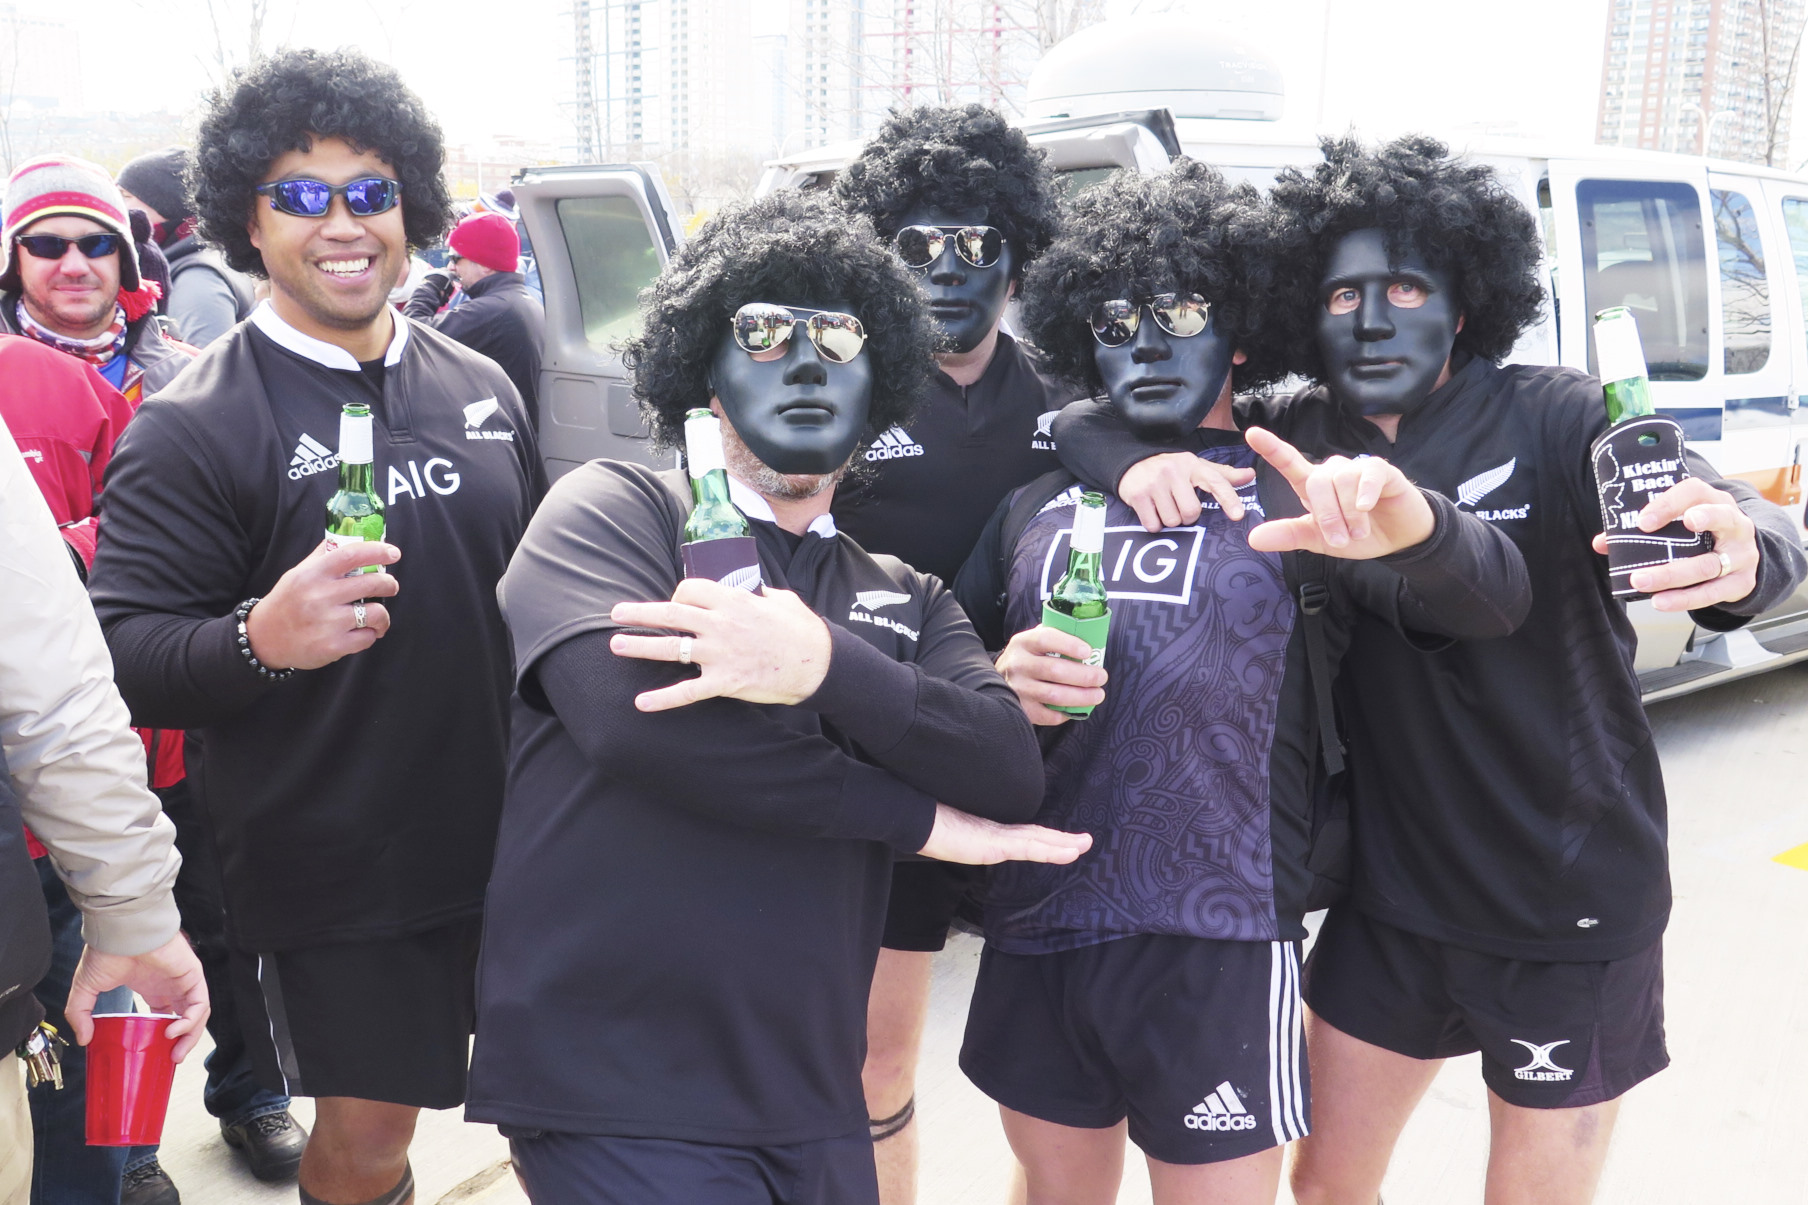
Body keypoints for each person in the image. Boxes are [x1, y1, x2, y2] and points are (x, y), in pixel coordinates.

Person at [1051, 135, 1808, 1205]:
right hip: (1386, 903)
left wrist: (1740, 552)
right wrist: (1132, 459)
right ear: (1299, 315)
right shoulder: (1290, 437)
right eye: (1339, 293)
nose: (1369, 317)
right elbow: (1075, 413)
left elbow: (1733, 524)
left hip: (1564, 902)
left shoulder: (1557, 416)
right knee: (1323, 1184)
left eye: (1404, 286)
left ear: (1462, 307)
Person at [464, 191, 1091, 1205]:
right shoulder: (611, 513)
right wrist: (915, 818)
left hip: (807, 1092)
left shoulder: (904, 592)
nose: (804, 359)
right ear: (704, 381)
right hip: (613, 1079)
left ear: (880, 381)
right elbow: (645, 734)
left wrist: (825, 664)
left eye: (838, 337)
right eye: (760, 332)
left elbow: (1006, 765)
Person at [951, 160, 1528, 1205]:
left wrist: (1420, 527)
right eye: (1117, 319)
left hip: (1218, 935)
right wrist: (995, 680)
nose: (1147, 339)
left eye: (1180, 309)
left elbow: (1485, 601)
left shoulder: (1303, 487)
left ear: (1242, 329)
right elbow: (942, 684)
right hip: (1037, 920)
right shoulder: (1035, 498)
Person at [86, 48, 543, 1205]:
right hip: (342, 863)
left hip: (524, 835)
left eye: (369, 191)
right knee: (374, 1133)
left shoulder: (480, 381)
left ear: (412, 206)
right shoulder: (192, 426)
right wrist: (261, 636)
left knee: (563, 1096)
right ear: (248, 216)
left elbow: (538, 592)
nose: (342, 223)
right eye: (299, 194)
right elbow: (126, 658)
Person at [829, 103, 1074, 1202]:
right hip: (884, 759)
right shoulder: (838, 388)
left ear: (1019, 260)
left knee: (1056, 1078)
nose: (949, 270)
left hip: (1044, 765)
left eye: (980, 245)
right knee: (873, 1060)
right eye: (918, 245)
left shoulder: (1070, 399)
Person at [0, 401, 210, 1205]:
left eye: (95, 256)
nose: (73, 265)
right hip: (49, 844)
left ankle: (133, 1155)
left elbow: (54, 684)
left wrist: (131, 899)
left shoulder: (99, 395)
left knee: (88, 1063)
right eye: (48, 256)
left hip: (72, 834)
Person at [0, 156, 192, 408]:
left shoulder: (191, 380)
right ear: (15, 261)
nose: (75, 267)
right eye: (46, 245)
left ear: (123, 257)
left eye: (99, 243)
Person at [403, 210, 544, 418]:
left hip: (495, 434)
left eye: (455, 258)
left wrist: (430, 286)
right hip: (510, 430)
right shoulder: (520, 301)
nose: (450, 267)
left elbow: (411, 334)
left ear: (485, 265)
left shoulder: (494, 310)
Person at [117, 147, 255, 348]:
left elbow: (207, 372)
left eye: (125, 196)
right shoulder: (203, 253)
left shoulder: (198, 281)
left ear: (165, 204)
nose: (117, 205)